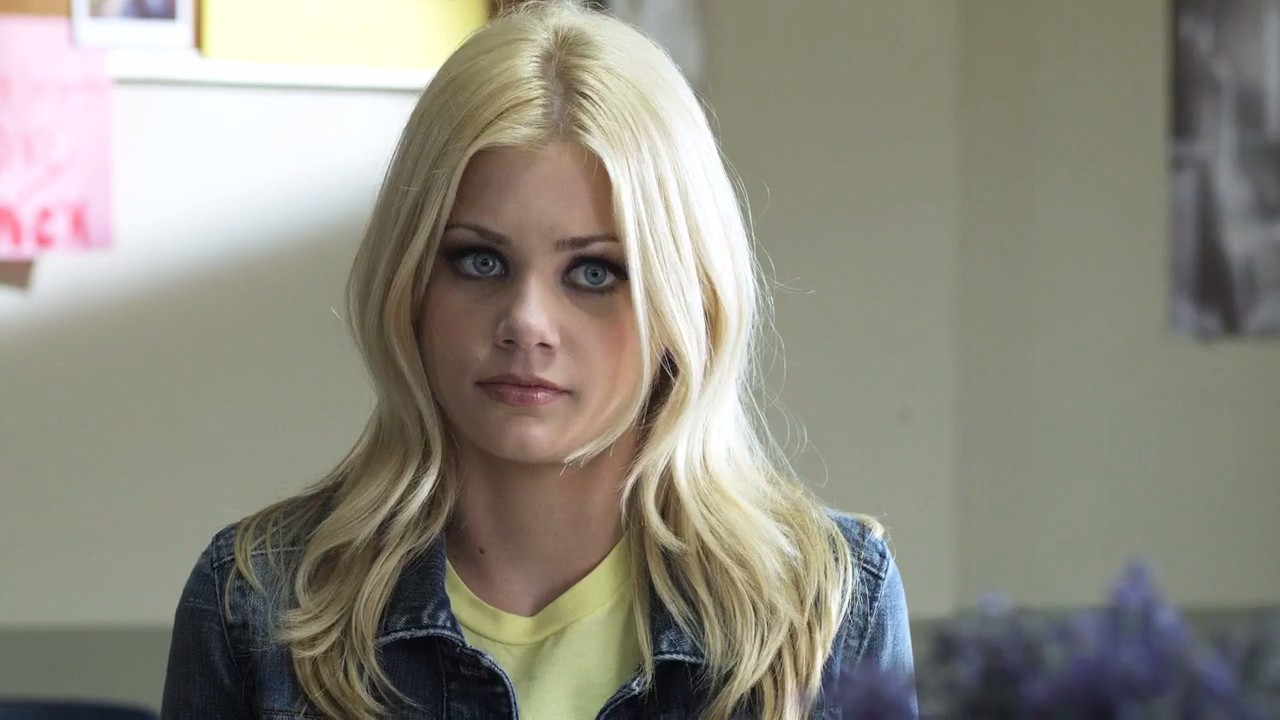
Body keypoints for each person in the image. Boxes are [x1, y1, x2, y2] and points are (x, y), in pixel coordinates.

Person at [159, 1, 915, 718]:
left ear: (686, 302)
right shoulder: (256, 602)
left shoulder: (826, 606)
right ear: (410, 283)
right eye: (479, 260)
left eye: (594, 272)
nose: (526, 322)